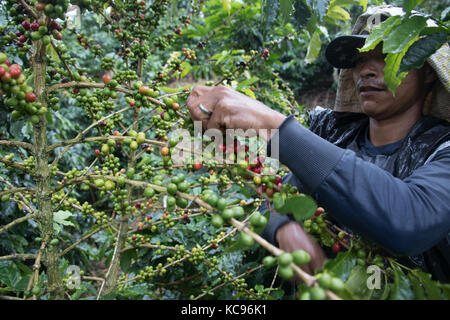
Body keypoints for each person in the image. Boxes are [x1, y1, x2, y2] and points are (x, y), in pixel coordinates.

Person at [186, 5, 450, 282]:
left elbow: (410, 219)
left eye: (387, 54)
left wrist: (274, 126)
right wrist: (281, 226)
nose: (367, 70)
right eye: (361, 57)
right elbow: (276, 199)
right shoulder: (334, 133)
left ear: (427, 69)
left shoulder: (441, 149)